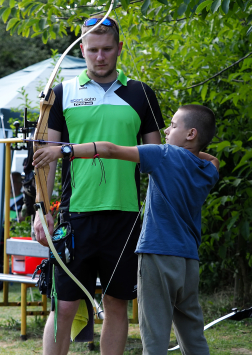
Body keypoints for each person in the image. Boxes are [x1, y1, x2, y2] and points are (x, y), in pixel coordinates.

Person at [34, 105, 219, 355]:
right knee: (193, 336)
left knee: (154, 339)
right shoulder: (208, 171)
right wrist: (195, 150)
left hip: (158, 257)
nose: (166, 130)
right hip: (188, 262)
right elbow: (212, 158)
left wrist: (64, 150)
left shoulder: (164, 155)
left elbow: (109, 149)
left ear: (191, 133)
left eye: (174, 126)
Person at [33, 15, 165, 355]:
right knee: (65, 305)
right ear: (81, 49)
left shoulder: (140, 94)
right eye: (93, 50)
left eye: (107, 49)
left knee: (116, 303)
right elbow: (44, 158)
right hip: (75, 215)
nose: (100, 56)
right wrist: (41, 210)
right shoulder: (61, 93)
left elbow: (161, 158)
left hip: (125, 215)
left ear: (120, 48)